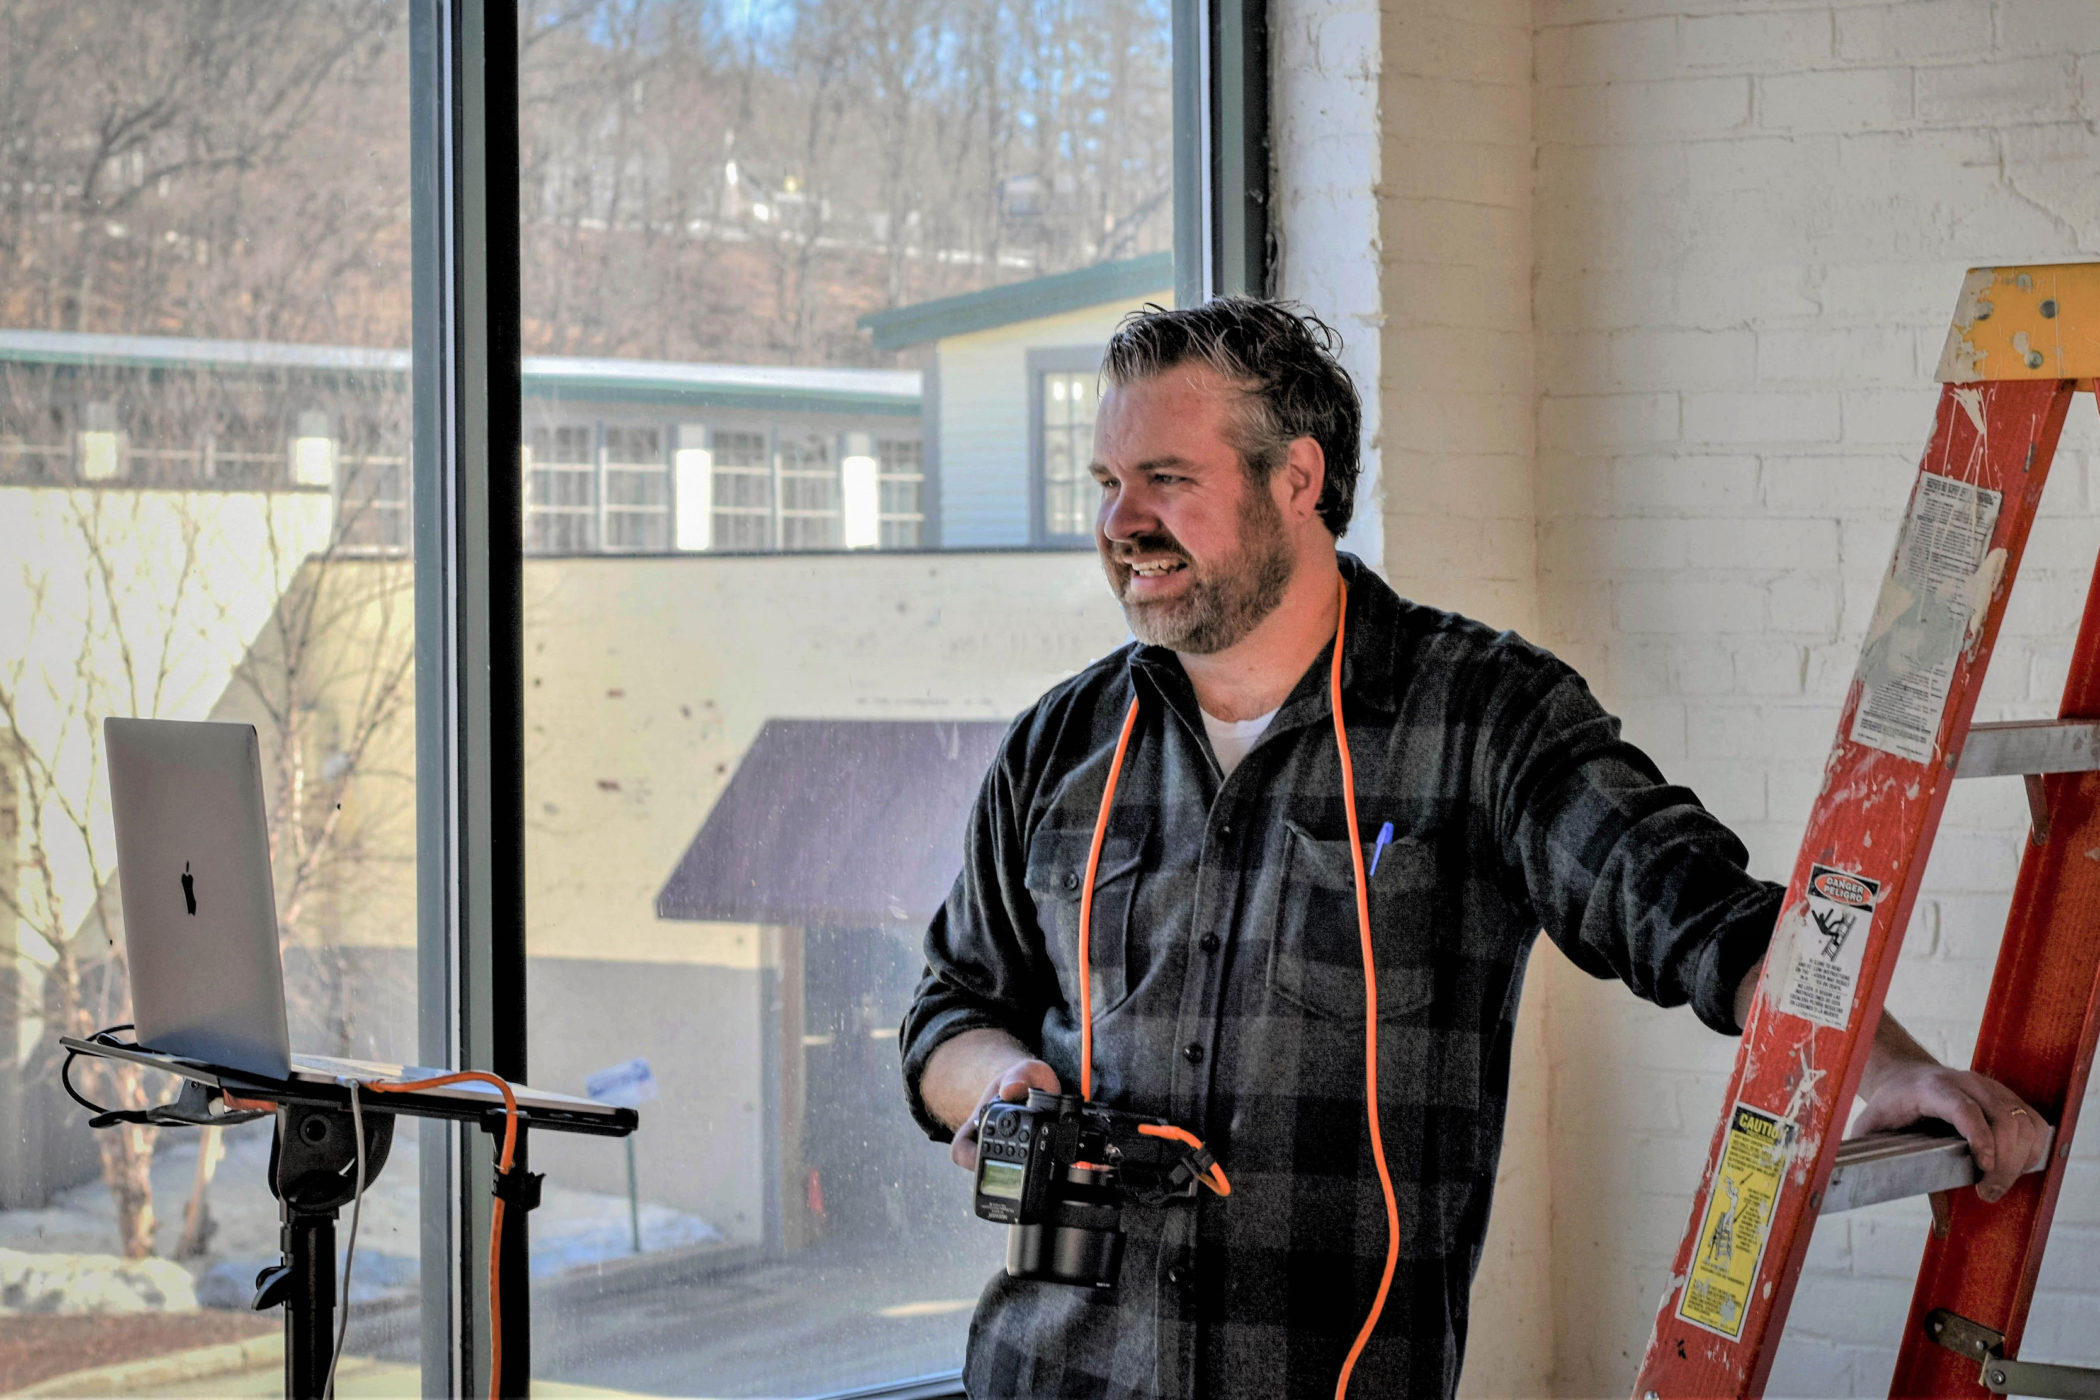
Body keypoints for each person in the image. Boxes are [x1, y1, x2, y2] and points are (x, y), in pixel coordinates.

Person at [898, 298, 2048, 1400]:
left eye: (1167, 479)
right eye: (1107, 481)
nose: (1119, 521)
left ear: (1297, 478)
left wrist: (1876, 1068)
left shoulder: (1483, 715)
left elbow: (1701, 911)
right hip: (1050, 1373)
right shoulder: (1061, 743)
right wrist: (998, 1088)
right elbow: (948, 1007)